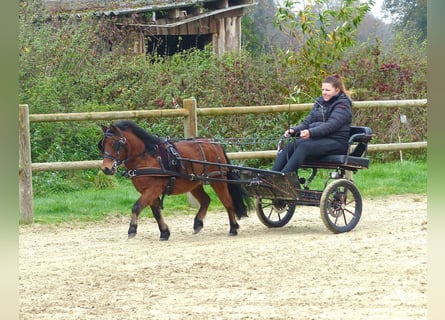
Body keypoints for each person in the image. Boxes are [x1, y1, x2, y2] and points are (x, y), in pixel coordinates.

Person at [272, 74, 353, 177]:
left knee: (304, 146)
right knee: (292, 145)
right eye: (323, 89)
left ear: (337, 90)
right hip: (320, 140)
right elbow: (307, 122)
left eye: (327, 90)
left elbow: (331, 125)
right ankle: (273, 176)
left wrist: (311, 132)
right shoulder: (320, 103)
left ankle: (284, 177)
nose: (324, 92)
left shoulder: (343, 105)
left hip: (337, 142)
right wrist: (294, 130)